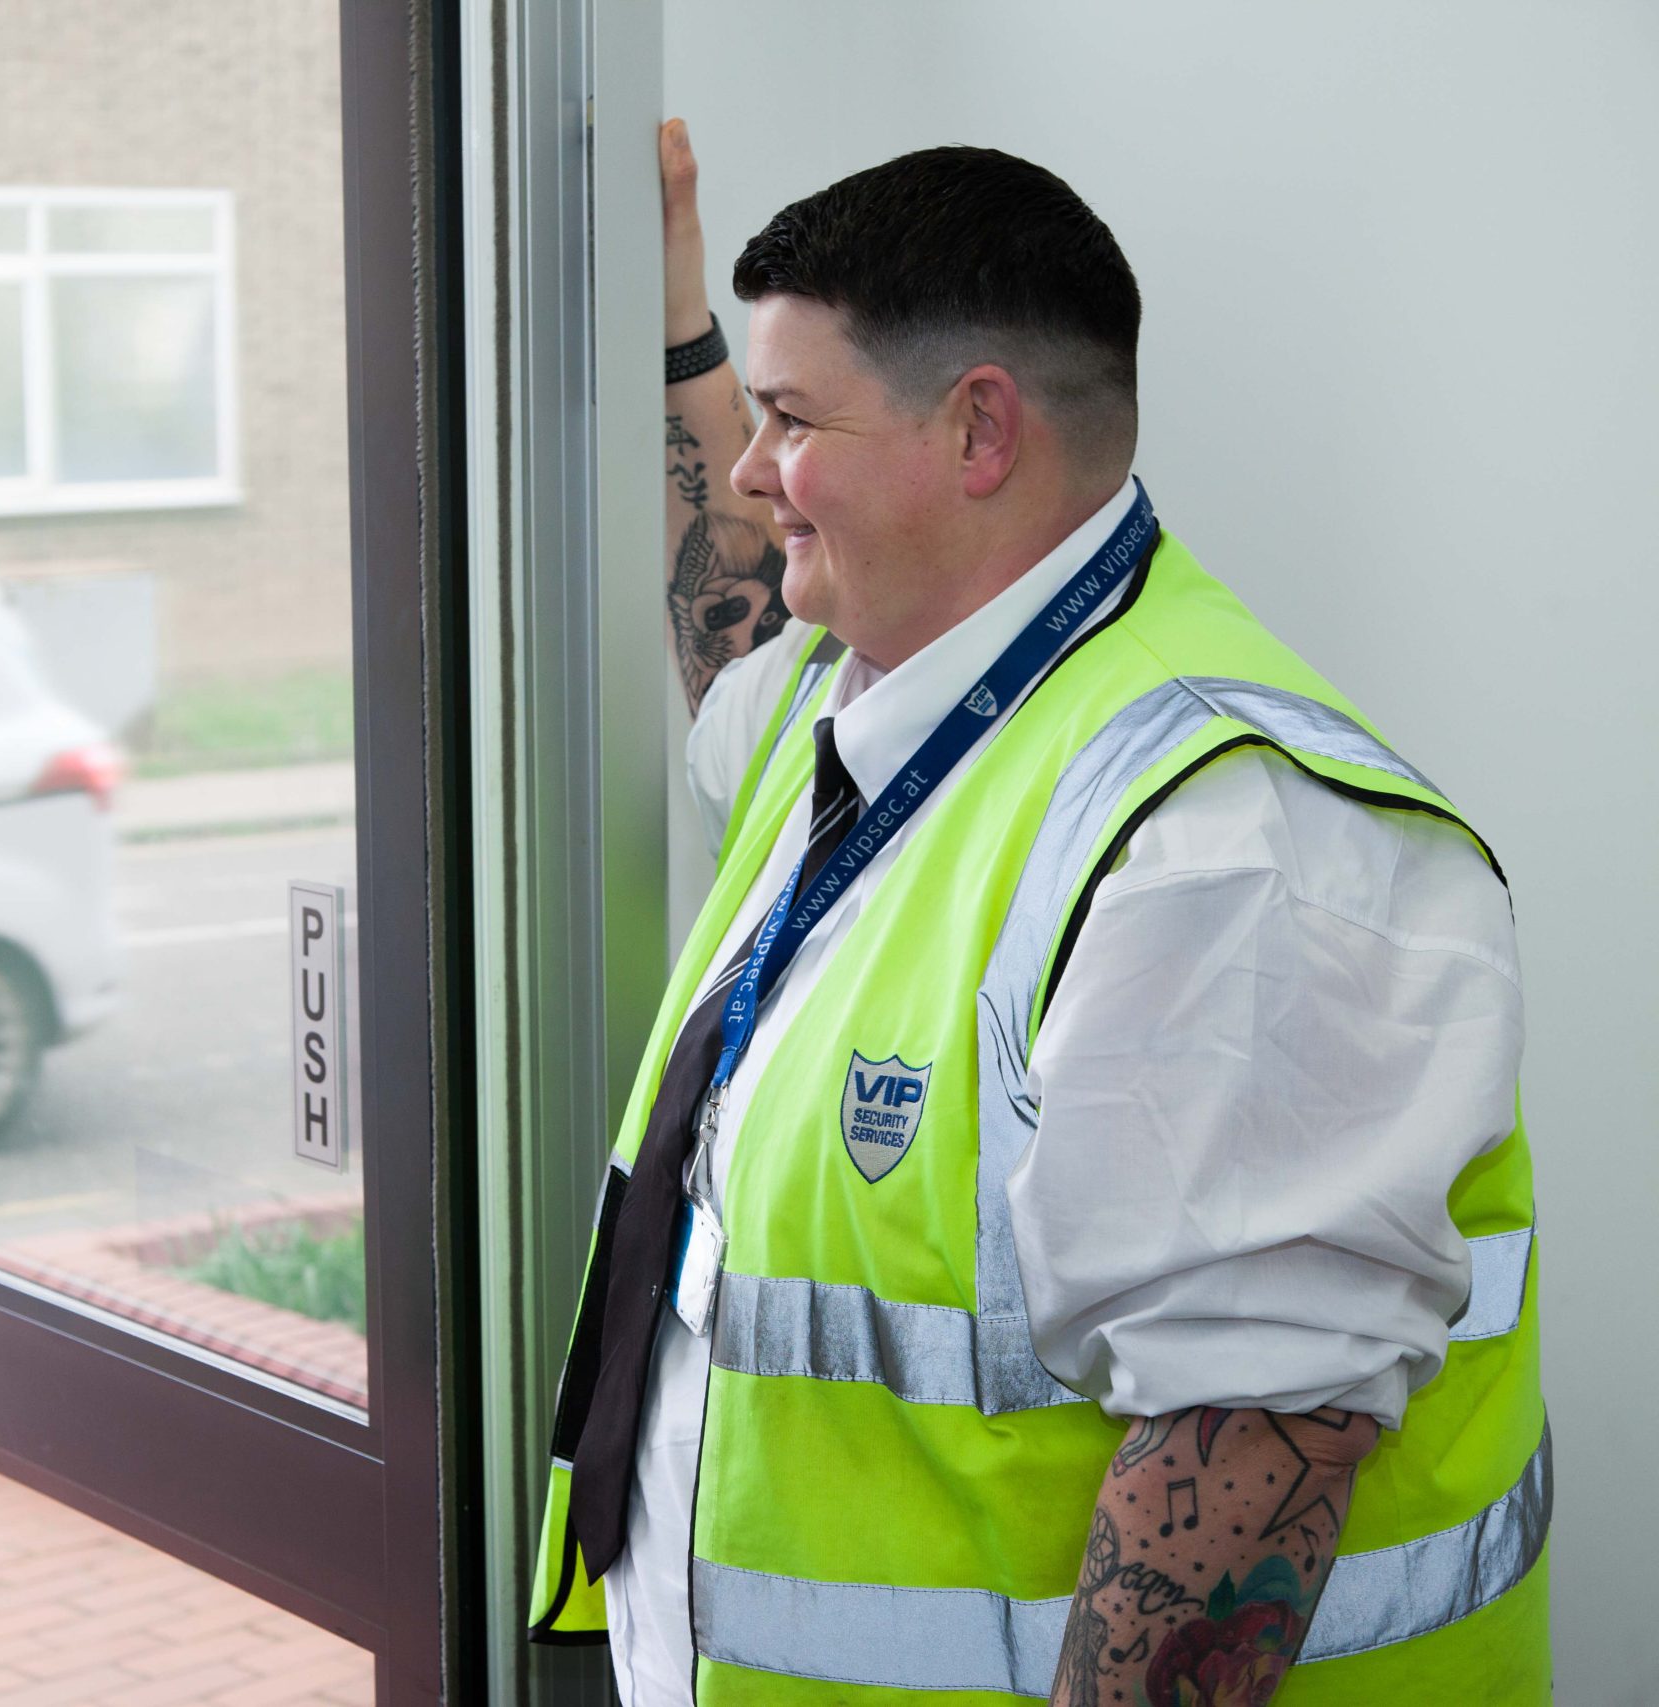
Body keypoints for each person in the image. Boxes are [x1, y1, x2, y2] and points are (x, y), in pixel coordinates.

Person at [525, 125, 1550, 1706]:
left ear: (978, 433)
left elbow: (1245, 1457)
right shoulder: (852, 690)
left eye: (791, 419)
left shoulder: (1227, 846)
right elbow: (730, 593)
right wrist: (681, 319)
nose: (750, 467)